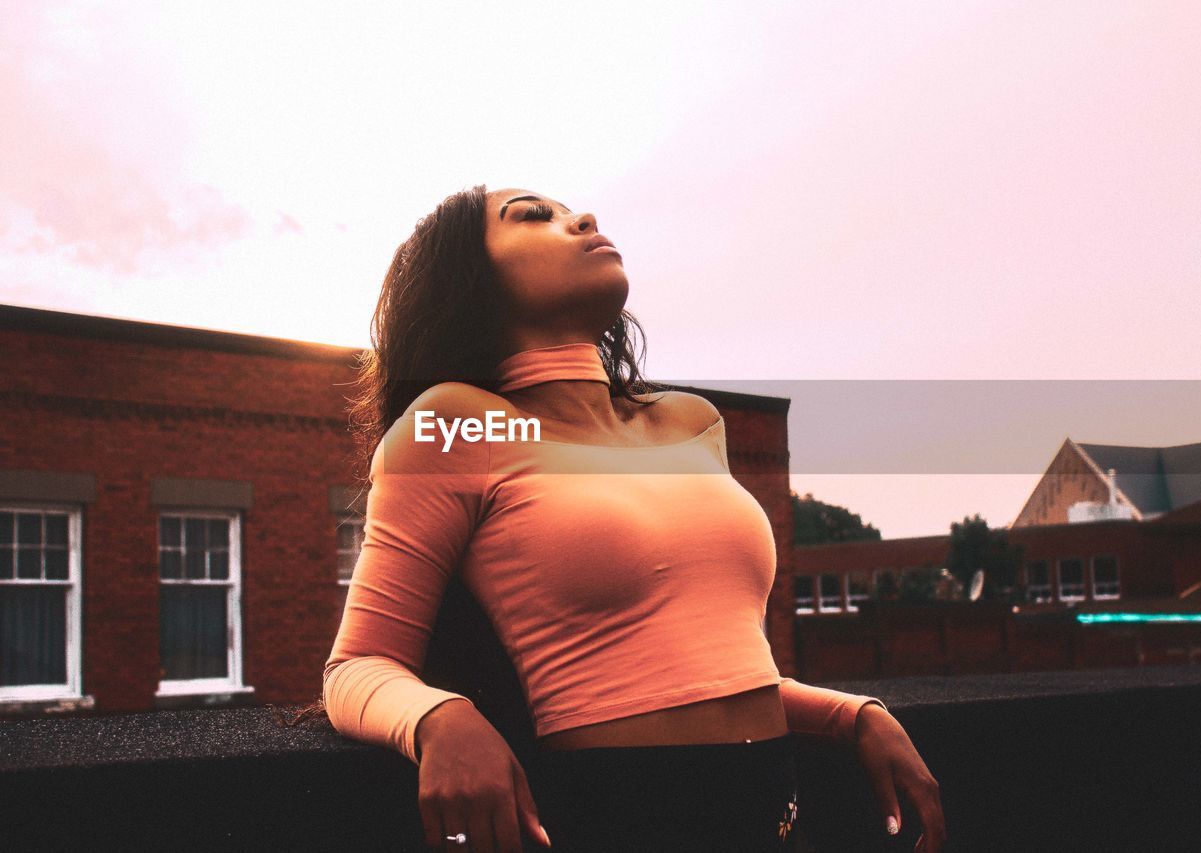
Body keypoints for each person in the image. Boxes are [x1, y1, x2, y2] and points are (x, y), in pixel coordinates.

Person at [320, 185, 947, 852]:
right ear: (470, 279)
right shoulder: (453, 423)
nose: (582, 218)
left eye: (571, 211)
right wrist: (439, 717)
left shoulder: (691, 421)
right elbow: (358, 665)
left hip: (776, 812)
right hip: (614, 814)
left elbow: (702, 671)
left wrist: (851, 715)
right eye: (534, 215)